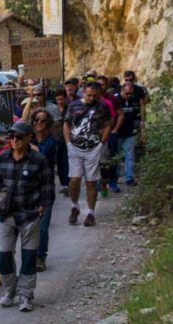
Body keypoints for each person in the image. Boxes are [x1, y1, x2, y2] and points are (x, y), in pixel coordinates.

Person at [0, 121, 55, 312]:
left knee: (29, 256)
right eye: (12, 137)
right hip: (6, 214)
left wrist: (43, 207)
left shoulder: (38, 159)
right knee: (3, 255)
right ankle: (9, 291)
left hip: (29, 214)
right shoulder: (2, 158)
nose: (14, 140)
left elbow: (47, 186)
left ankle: (26, 295)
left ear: (28, 138)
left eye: (19, 137)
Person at [64, 82, 112, 227]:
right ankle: (74, 206)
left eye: (94, 96)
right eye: (89, 95)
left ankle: (90, 212)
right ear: (83, 92)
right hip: (75, 147)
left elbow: (108, 124)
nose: (91, 98)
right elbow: (67, 124)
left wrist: (101, 143)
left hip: (93, 147)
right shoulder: (74, 105)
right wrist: (68, 143)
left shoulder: (102, 106)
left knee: (91, 181)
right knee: (74, 179)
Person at [30, 110, 58, 272]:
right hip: (29, 188)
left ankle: (41, 257)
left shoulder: (52, 141)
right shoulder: (29, 139)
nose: (39, 123)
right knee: (29, 227)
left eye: (43, 120)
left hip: (45, 188)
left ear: (48, 123)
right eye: (37, 120)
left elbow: (42, 154)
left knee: (43, 226)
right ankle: (30, 256)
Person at [116, 80, 144, 186]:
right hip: (117, 133)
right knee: (117, 156)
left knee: (130, 156)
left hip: (130, 133)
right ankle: (115, 176)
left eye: (131, 94)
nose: (128, 96)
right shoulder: (116, 100)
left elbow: (137, 115)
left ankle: (129, 178)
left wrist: (140, 127)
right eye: (127, 93)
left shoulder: (132, 101)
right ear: (122, 90)